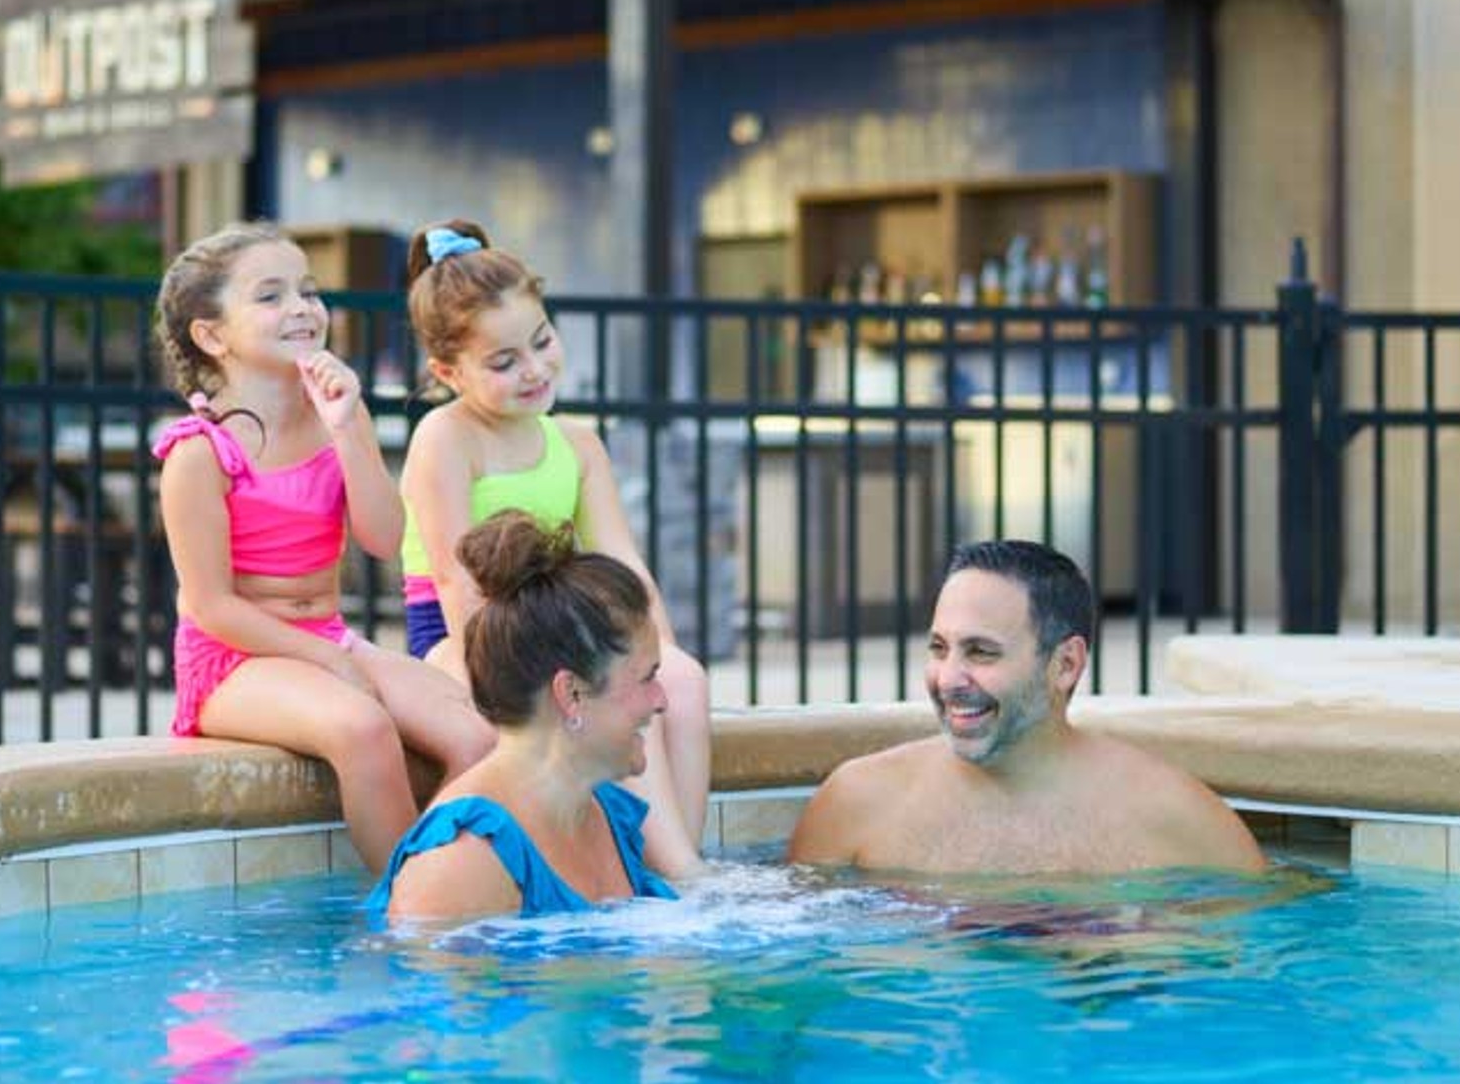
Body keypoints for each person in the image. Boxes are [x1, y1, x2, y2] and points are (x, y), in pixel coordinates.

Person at [155, 222, 494, 874]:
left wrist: (346, 431)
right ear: (212, 335)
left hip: (326, 638)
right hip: (231, 663)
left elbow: (384, 538)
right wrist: (331, 663)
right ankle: (406, 912)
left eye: (308, 291)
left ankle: (455, 880)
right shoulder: (199, 454)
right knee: (362, 729)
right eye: (270, 296)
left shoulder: (339, 414)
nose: (302, 308)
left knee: (478, 736)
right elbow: (210, 608)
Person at [395, 219, 709, 878]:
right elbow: (459, 587)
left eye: (542, 342)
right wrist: (516, 673)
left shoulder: (576, 443)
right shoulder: (445, 439)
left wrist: (657, 657)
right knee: (582, 695)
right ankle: (679, 877)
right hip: (467, 638)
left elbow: (625, 566)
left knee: (682, 679)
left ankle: (671, 862)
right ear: (448, 371)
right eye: (505, 362)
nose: (535, 370)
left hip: (566, 629)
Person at [788, 539, 1264, 876]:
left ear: (1065, 665)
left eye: (981, 652)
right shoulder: (858, 801)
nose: (948, 679)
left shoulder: (1177, 820)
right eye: (939, 648)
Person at [368, 510, 679, 921]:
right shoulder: (460, 865)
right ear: (571, 693)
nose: (662, 701)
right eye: (646, 678)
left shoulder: (604, 813)